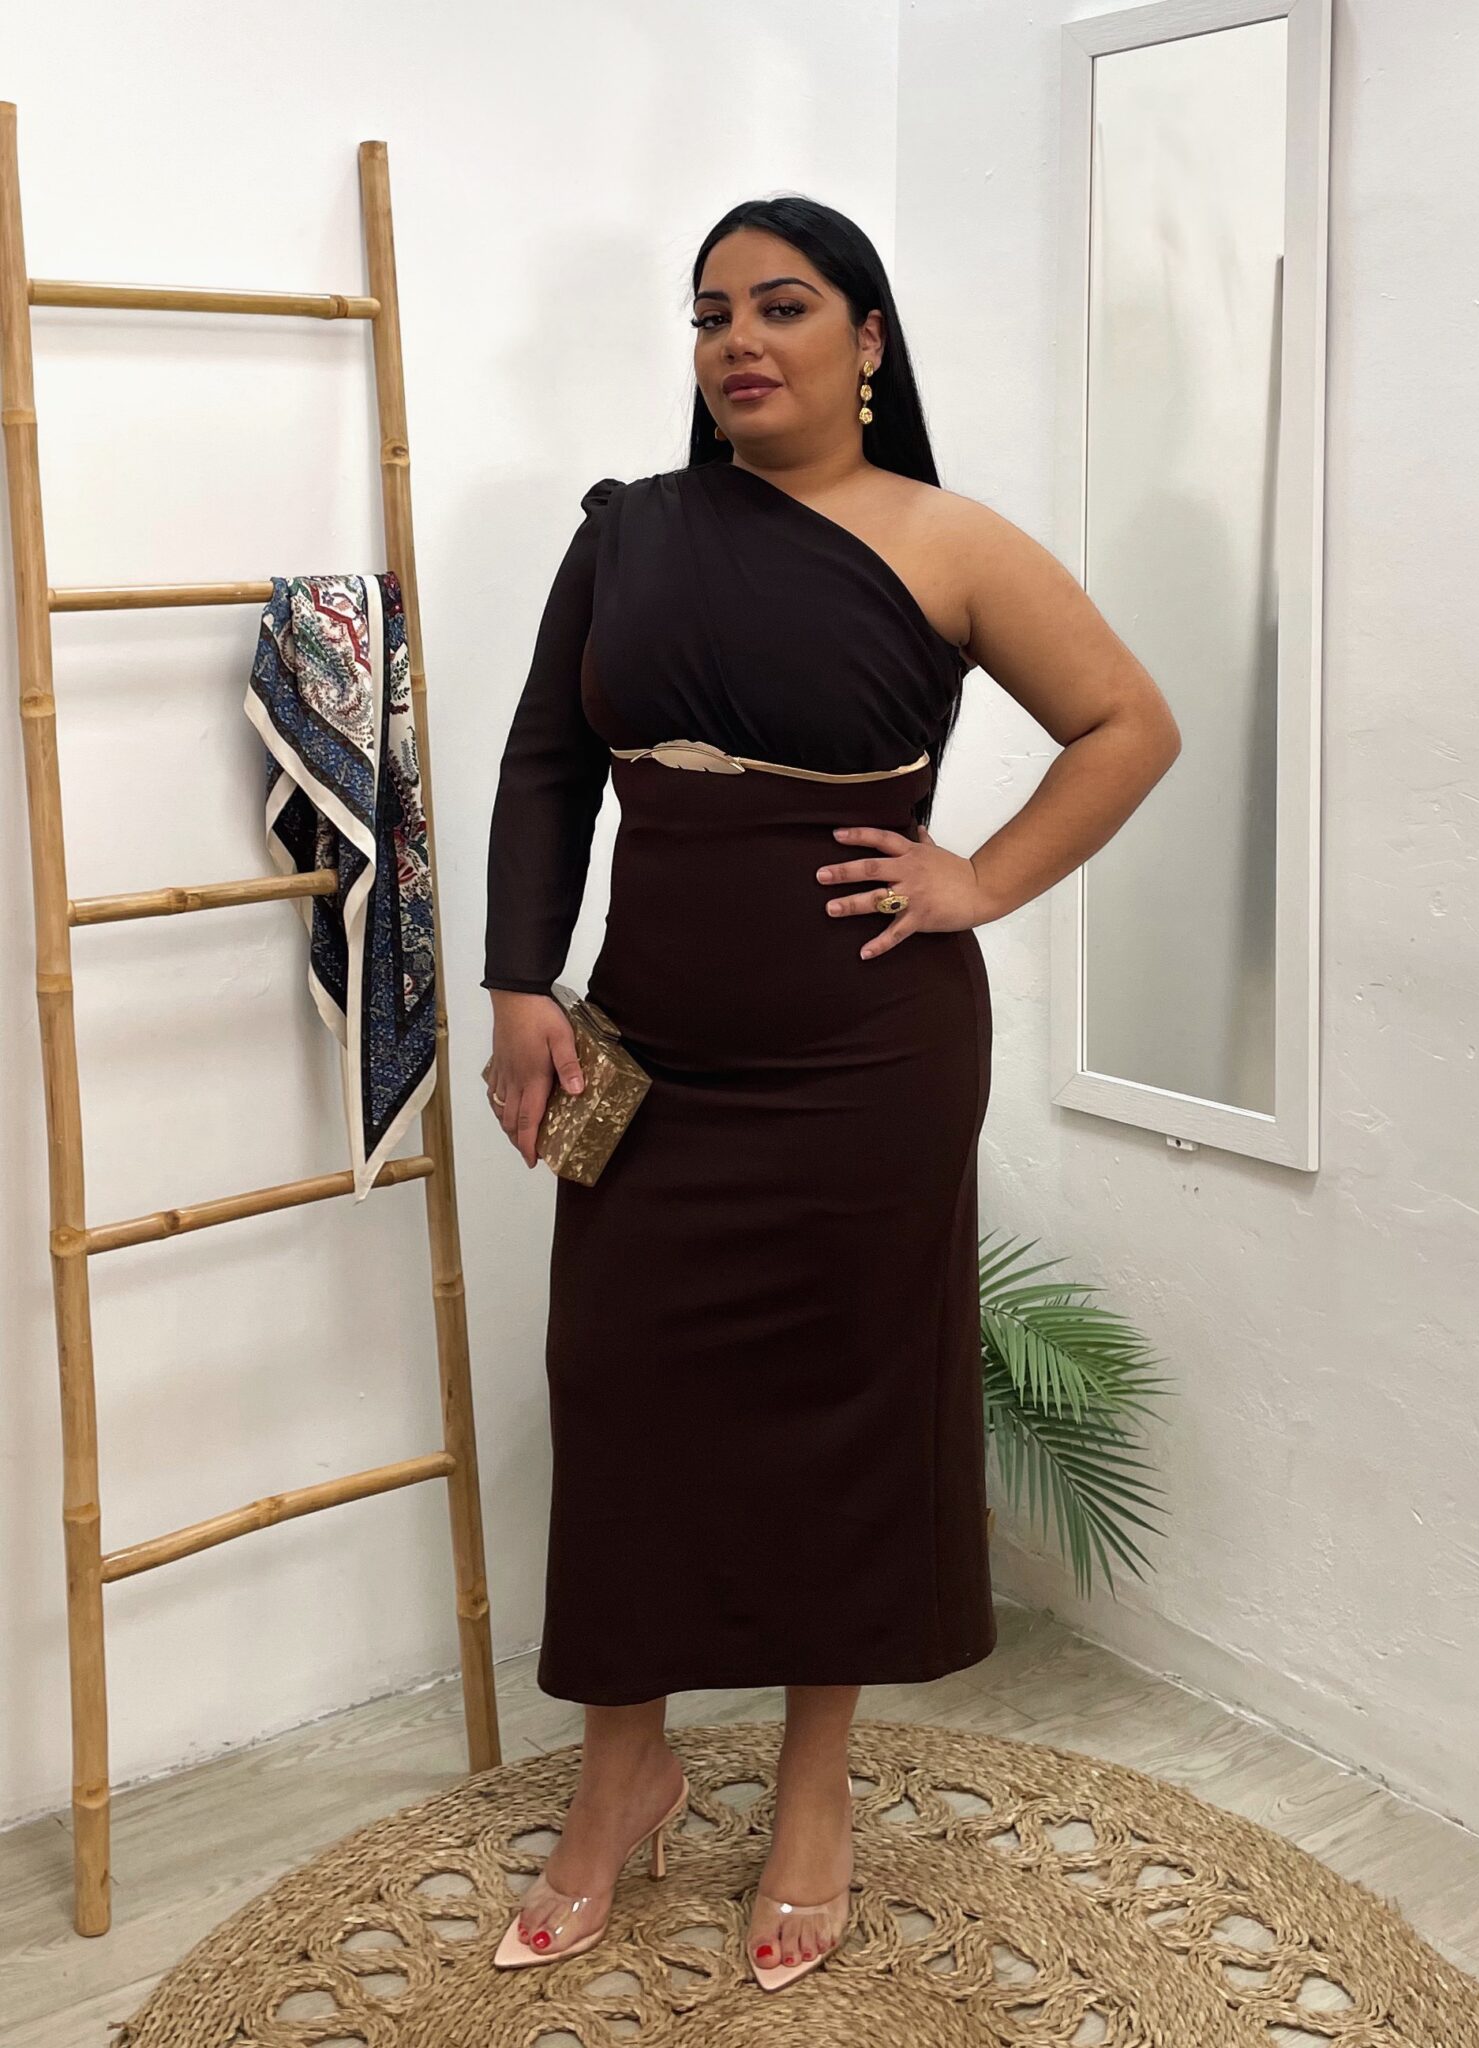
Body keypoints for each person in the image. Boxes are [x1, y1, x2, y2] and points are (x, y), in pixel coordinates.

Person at [480, 194, 1180, 1990]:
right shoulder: (628, 535)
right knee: (617, 1396)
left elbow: (1129, 726)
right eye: (710, 313)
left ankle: (813, 1792)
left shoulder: (951, 541)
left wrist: (980, 878)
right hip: (648, 1052)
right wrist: (517, 985)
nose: (737, 340)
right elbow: (549, 763)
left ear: (867, 340)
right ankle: (621, 1776)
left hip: (870, 1061)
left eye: (781, 306)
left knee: (846, 1414)